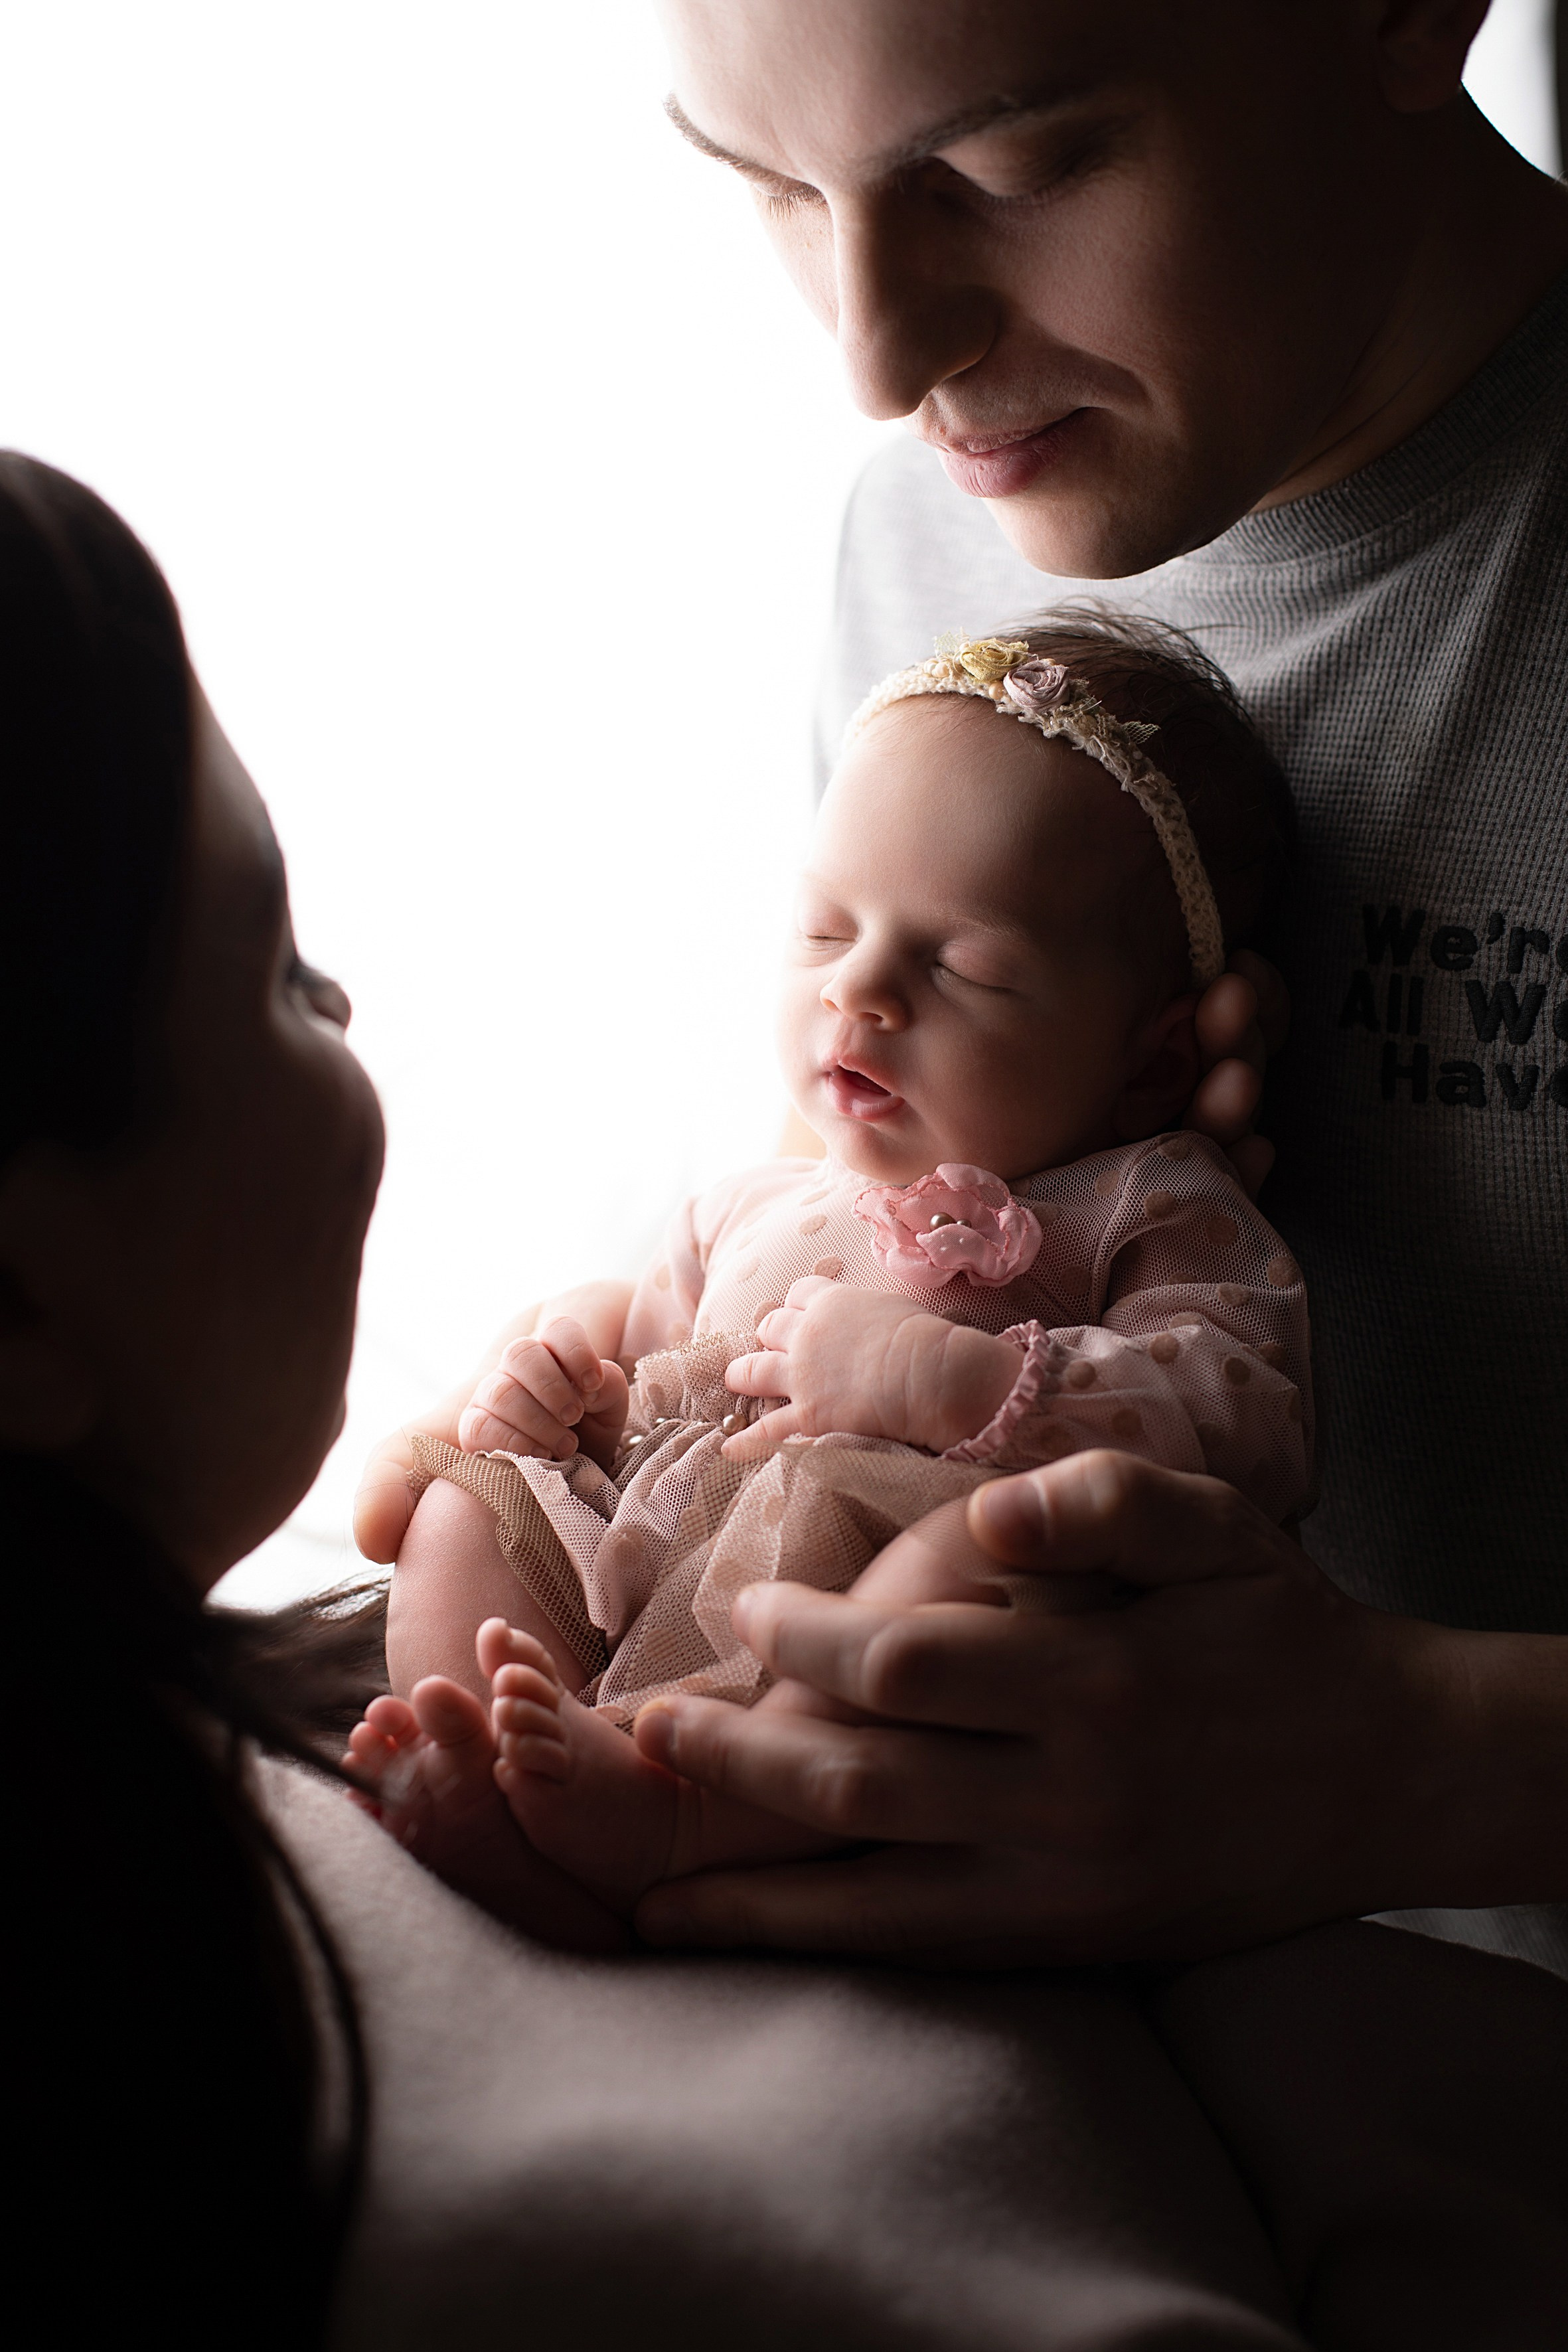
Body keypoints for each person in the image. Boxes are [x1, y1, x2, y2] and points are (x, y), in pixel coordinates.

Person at [354, 0, 1568, 1973]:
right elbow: (855, 1185)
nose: (875, 360)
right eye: (763, 187)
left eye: (1012, 168)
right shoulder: (939, 527)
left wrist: (1430, 1759)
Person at [346, 613, 1313, 1916]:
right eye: (821, 930)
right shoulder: (759, 1193)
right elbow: (642, 1363)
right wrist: (562, 1385)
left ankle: (696, 1804)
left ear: (1142, 1058)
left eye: (959, 962)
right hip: (651, 1565)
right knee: (470, 1490)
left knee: (951, 1578)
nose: (858, 991)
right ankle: (477, 1734)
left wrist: (951, 1383)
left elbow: (1243, 1420)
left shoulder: (1140, 1197)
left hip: (861, 1599)